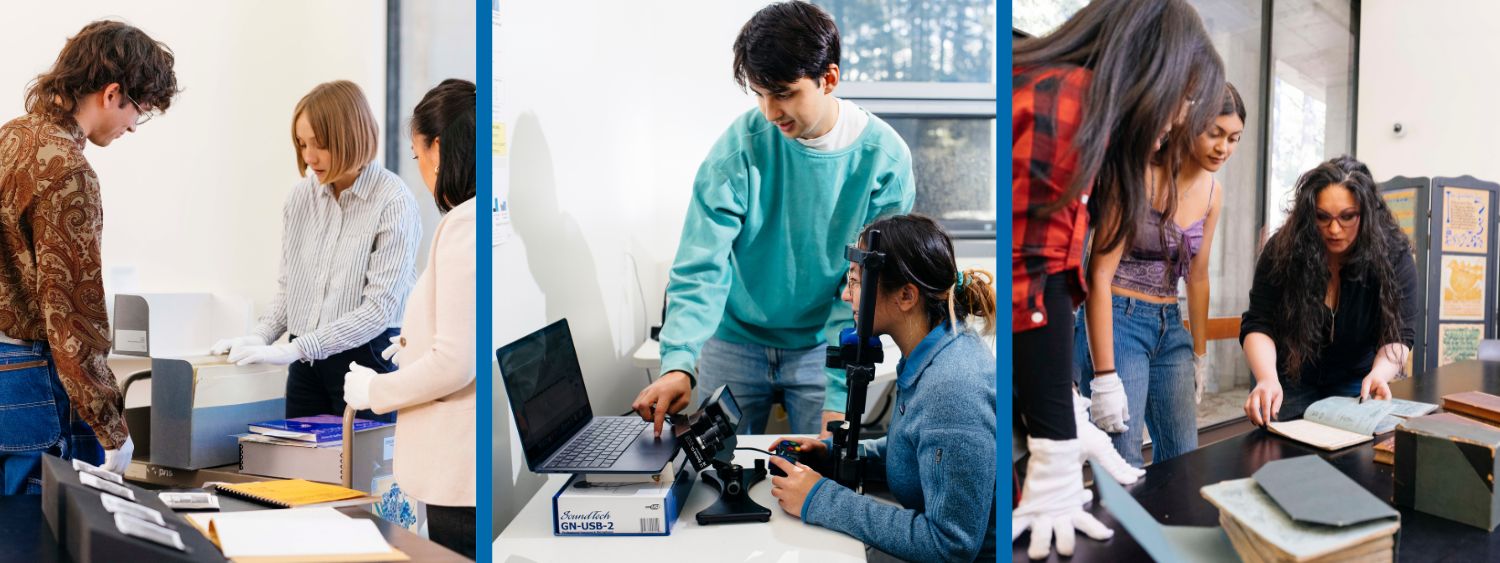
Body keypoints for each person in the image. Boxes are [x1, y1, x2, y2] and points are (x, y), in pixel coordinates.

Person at [631, 1, 914, 438]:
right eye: (760, 94)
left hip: (824, 346)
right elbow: (701, 264)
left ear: (829, 79)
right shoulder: (739, 149)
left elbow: (865, 291)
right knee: (714, 476)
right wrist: (679, 361)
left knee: (821, 481)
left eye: (783, 93)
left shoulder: (885, 162)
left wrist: (840, 392)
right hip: (734, 340)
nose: (769, 111)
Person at [1011, 0, 1225, 558]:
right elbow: (1034, 281)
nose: (1181, 119)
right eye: (1185, 99)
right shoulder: (1067, 101)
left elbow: (1054, 272)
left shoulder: (1078, 112)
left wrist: (1061, 411)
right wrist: (1058, 435)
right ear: (1151, 69)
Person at [0, 20, 178, 490]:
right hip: (29, 382)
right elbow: (70, 313)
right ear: (112, 93)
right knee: (42, 538)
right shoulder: (67, 170)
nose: (134, 126)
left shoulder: (10, 138)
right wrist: (113, 429)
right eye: (138, 109)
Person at [765, 214, 996, 562]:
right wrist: (833, 456)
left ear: (905, 296)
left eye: (857, 283)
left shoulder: (952, 388)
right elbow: (915, 450)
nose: (846, 295)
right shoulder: (933, 353)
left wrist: (821, 499)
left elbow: (951, 545)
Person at [211, 80, 420, 423]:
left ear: (351, 137)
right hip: (305, 365)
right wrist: (258, 336)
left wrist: (295, 348)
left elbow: (379, 309)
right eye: (301, 144)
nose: (308, 157)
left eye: (319, 145)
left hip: (365, 361)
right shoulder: (300, 198)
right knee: (302, 470)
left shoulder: (393, 202)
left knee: (360, 474)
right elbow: (289, 288)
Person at [1075, 83, 1245, 466]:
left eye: (1234, 138)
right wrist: (1104, 376)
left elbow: (1198, 276)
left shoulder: (1213, 192)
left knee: (1183, 458)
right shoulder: (1136, 175)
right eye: (1214, 133)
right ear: (1187, 125)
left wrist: (1200, 353)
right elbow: (1097, 275)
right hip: (1119, 320)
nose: (1223, 148)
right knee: (1123, 459)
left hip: (1171, 326)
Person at [342, 79, 477, 559]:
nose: (419, 168)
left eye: (418, 153)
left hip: (460, 474)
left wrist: (375, 393)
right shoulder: (476, 219)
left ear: (438, 149)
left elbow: (456, 364)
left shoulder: (463, 225)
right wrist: (412, 343)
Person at [1241, 156, 1418, 425]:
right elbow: (1258, 322)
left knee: (1349, 460)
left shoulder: (1393, 254)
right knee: (1283, 458)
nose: (1334, 229)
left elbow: (1400, 333)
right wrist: (1266, 378)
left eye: (1347, 217)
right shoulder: (1283, 250)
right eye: (1322, 217)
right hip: (1288, 377)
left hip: (1356, 380)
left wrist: (1380, 374)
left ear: (1367, 214)